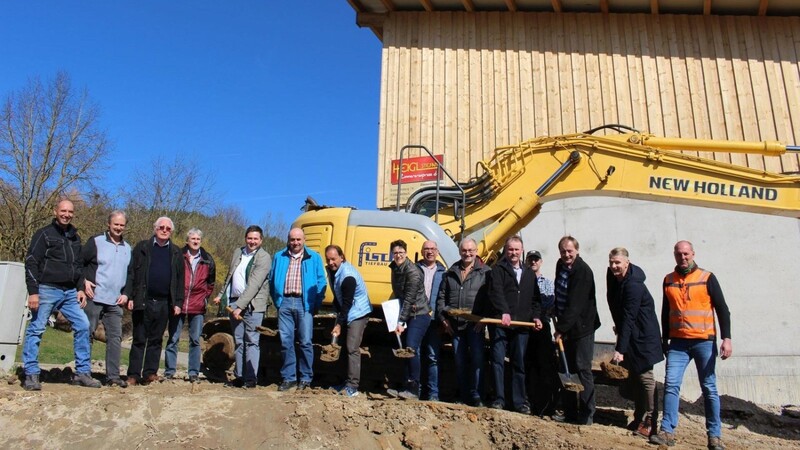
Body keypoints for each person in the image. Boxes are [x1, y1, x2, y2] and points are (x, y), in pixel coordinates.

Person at [650, 241, 732, 450]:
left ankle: (714, 436)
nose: (683, 257)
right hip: (678, 343)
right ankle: (667, 431)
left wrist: (727, 338)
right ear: (674, 255)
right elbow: (665, 312)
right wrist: (664, 340)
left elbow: (722, 309)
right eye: (679, 254)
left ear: (693, 254)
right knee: (671, 385)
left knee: (709, 388)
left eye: (686, 254)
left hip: (704, 341)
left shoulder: (707, 278)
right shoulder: (668, 280)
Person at [21, 199, 101, 390]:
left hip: (69, 292)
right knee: (37, 328)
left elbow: (78, 266)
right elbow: (31, 261)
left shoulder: (75, 237)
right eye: (63, 211)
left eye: (70, 211)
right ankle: (31, 373)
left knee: (83, 325)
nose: (66, 214)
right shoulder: (44, 234)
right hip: (47, 289)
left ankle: (82, 373)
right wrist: (33, 292)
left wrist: (80, 288)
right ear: (55, 211)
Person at [606, 247, 663, 438]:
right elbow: (612, 301)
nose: (614, 266)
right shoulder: (613, 276)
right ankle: (639, 418)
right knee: (636, 379)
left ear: (627, 263)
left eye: (618, 263)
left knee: (646, 378)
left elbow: (630, 317)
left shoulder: (634, 285)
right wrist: (619, 328)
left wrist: (620, 349)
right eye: (612, 262)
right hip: (631, 333)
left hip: (644, 336)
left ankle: (650, 420)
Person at [485, 236, 542, 414]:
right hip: (500, 324)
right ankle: (499, 399)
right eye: (510, 249)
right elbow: (496, 293)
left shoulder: (529, 273)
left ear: (522, 250)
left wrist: (536, 317)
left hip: (521, 325)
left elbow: (535, 300)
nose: (513, 253)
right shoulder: (497, 270)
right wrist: (504, 311)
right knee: (497, 361)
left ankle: (519, 402)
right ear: (506, 250)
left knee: (519, 363)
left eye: (517, 250)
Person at [125, 217, 185, 386]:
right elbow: (132, 274)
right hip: (143, 300)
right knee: (139, 339)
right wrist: (130, 296)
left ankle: (150, 372)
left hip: (164, 302)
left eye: (167, 228)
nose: (164, 230)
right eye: (161, 227)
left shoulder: (176, 252)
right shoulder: (142, 247)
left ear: (171, 231)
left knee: (156, 339)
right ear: (155, 228)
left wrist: (178, 302)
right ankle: (133, 374)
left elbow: (180, 280)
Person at [269, 227, 327, 391]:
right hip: (285, 302)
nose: (295, 242)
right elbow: (272, 280)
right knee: (286, 342)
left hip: (304, 304)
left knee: (305, 342)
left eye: (298, 239)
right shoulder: (279, 256)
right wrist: (278, 301)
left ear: (304, 240)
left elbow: (322, 282)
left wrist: (315, 302)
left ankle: (306, 378)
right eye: (292, 239)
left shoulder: (314, 257)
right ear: (288, 240)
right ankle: (289, 378)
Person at [79, 210, 132, 388]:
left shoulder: (127, 248)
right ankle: (83, 373)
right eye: (115, 224)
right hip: (94, 297)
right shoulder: (96, 242)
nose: (118, 228)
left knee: (115, 338)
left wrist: (126, 293)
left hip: (115, 301)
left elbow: (130, 274)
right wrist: (83, 282)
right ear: (109, 224)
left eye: (121, 225)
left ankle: (113, 376)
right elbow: (79, 263)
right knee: (87, 334)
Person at [214, 225, 271, 388]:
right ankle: (239, 376)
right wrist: (221, 294)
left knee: (252, 340)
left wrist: (240, 305)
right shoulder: (238, 252)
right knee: (239, 341)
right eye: (249, 238)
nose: (252, 241)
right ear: (245, 238)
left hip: (253, 306)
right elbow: (230, 276)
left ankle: (251, 379)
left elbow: (254, 284)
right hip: (234, 302)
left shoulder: (264, 257)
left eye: (255, 239)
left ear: (261, 240)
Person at [437, 238, 490, 406]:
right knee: (459, 362)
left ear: (476, 251)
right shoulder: (450, 273)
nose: (468, 253)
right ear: (460, 252)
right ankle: (462, 395)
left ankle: (477, 396)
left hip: (475, 326)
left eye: (471, 250)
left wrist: (484, 320)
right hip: (455, 326)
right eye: (464, 250)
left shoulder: (486, 272)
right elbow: (441, 298)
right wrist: (444, 320)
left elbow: (491, 299)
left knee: (477, 360)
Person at [553, 235, 599, 425]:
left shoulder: (583, 272)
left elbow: (575, 305)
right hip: (567, 326)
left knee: (582, 369)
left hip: (582, 328)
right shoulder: (560, 265)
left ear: (577, 251)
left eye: (570, 251)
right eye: (563, 251)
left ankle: (587, 413)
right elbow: (559, 291)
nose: (566, 254)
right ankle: (570, 412)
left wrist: (560, 329)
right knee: (567, 369)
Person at [165, 228, 216, 383]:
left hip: (198, 304)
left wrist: (204, 298)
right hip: (178, 303)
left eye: (198, 239)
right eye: (192, 239)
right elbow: (171, 278)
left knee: (195, 340)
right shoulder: (178, 256)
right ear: (187, 241)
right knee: (173, 338)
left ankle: (193, 372)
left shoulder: (207, 259)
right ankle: (169, 371)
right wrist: (174, 300)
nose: (195, 241)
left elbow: (211, 283)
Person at [325, 245, 373, 397]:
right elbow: (339, 297)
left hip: (358, 312)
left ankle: (353, 386)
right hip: (347, 310)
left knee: (352, 347)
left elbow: (347, 303)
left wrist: (339, 324)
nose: (331, 262)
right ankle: (344, 382)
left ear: (342, 257)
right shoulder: (333, 271)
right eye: (328, 259)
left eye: (333, 259)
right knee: (344, 347)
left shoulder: (348, 276)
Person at [386, 239, 430, 400]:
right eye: (395, 253)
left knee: (411, 348)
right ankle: (405, 386)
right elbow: (399, 295)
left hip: (419, 313)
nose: (398, 256)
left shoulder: (412, 272)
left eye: (401, 253)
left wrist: (400, 322)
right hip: (406, 313)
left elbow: (409, 298)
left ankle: (414, 388)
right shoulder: (395, 268)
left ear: (406, 253)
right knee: (403, 348)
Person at [524, 249, 560, 416]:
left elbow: (548, 303)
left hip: (543, 327)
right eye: (530, 259)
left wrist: (536, 311)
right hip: (524, 326)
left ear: (540, 262)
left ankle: (546, 404)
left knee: (544, 365)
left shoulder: (547, 282)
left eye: (536, 259)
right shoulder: (523, 280)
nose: (533, 262)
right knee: (528, 365)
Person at [417, 240, 446, 401]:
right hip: (416, 319)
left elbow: (445, 297)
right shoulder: (415, 269)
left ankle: (433, 393)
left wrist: (443, 319)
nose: (430, 252)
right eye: (426, 249)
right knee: (416, 355)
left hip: (434, 321)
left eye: (433, 249)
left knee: (432, 357)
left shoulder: (443, 272)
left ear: (437, 251)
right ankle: (417, 390)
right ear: (422, 252)